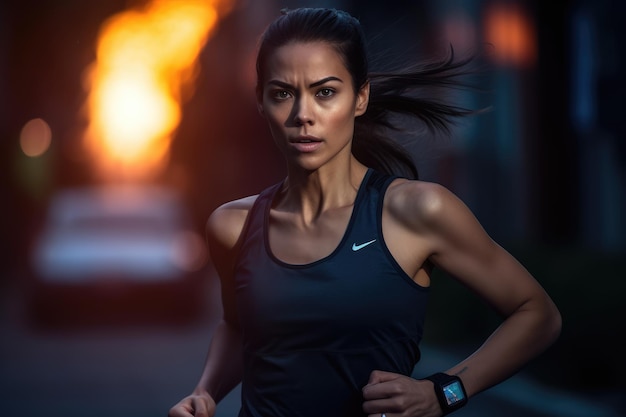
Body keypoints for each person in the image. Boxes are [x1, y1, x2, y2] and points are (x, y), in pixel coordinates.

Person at [168, 7, 561, 417]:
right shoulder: (233, 226)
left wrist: (443, 393)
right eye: (283, 93)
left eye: (325, 92)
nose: (303, 115)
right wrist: (205, 393)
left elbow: (536, 314)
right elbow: (238, 327)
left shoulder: (417, 211)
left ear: (360, 97)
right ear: (262, 103)